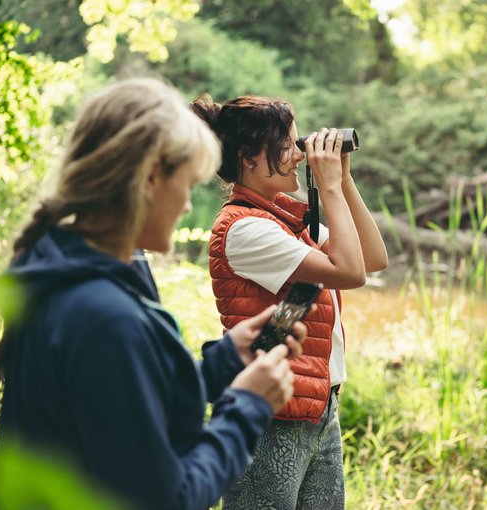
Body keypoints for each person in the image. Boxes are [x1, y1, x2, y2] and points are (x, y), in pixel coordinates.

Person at [0, 77, 309, 510]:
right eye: (187, 185)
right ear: (151, 178)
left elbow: (118, 405)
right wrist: (245, 407)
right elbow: (167, 497)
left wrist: (223, 362)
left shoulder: (57, 267)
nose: (188, 206)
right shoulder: (105, 315)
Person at [190, 94, 388, 509]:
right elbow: (350, 273)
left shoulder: (286, 220)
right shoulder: (244, 230)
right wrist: (329, 185)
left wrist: (343, 182)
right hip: (271, 417)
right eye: (287, 144)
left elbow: (372, 259)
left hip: (317, 408)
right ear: (247, 156)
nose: (299, 154)